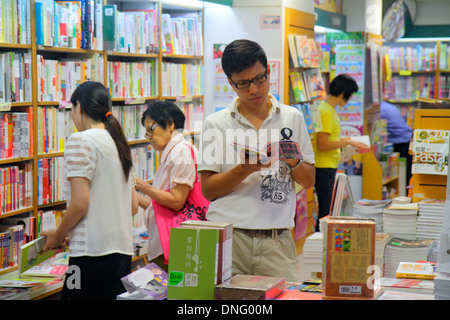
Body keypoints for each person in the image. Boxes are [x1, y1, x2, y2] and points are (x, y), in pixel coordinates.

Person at [198, 39, 315, 282]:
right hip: (229, 237)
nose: (254, 90)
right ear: (230, 82)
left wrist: (292, 161)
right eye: (243, 83)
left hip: (276, 241)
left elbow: (310, 179)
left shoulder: (292, 118)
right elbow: (208, 191)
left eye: (259, 79)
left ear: (268, 72)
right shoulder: (215, 124)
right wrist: (244, 169)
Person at [42, 81, 139, 300]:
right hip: (121, 253)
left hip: (89, 255)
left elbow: (80, 203)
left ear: (79, 108)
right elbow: (133, 206)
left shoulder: (80, 140)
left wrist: (58, 235)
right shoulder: (119, 143)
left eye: (71, 110)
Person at [134, 101, 200, 271]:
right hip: (166, 243)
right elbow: (161, 206)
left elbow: (176, 201)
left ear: (170, 124)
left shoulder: (181, 151)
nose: (148, 136)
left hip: (175, 244)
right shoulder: (171, 152)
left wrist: (141, 184)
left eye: (151, 129)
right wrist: (132, 194)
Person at [312, 74, 369, 232]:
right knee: (326, 211)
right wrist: (348, 142)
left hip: (326, 165)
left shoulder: (326, 109)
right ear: (343, 93)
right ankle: (320, 242)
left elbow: (330, 138)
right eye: (349, 95)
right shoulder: (327, 112)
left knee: (327, 209)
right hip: (323, 166)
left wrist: (348, 140)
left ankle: (321, 241)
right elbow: (322, 144)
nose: (349, 99)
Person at [380, 100, 413, 194]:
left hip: (401, 143)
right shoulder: (388, 106)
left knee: (405, 175)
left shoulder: (381, 109)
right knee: (407, 174)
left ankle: (406, 198)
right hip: (406, 140)